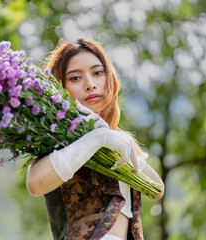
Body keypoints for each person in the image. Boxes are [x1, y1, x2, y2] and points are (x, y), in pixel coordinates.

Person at [26, 39, 164, 240]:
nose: (90, 84)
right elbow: (35, 184)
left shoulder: (115, 138)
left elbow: (156, 189)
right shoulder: (58, 140)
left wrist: (108, 135)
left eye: (97, 73)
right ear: (60, 86)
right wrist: (97, 138)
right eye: (75, 78)